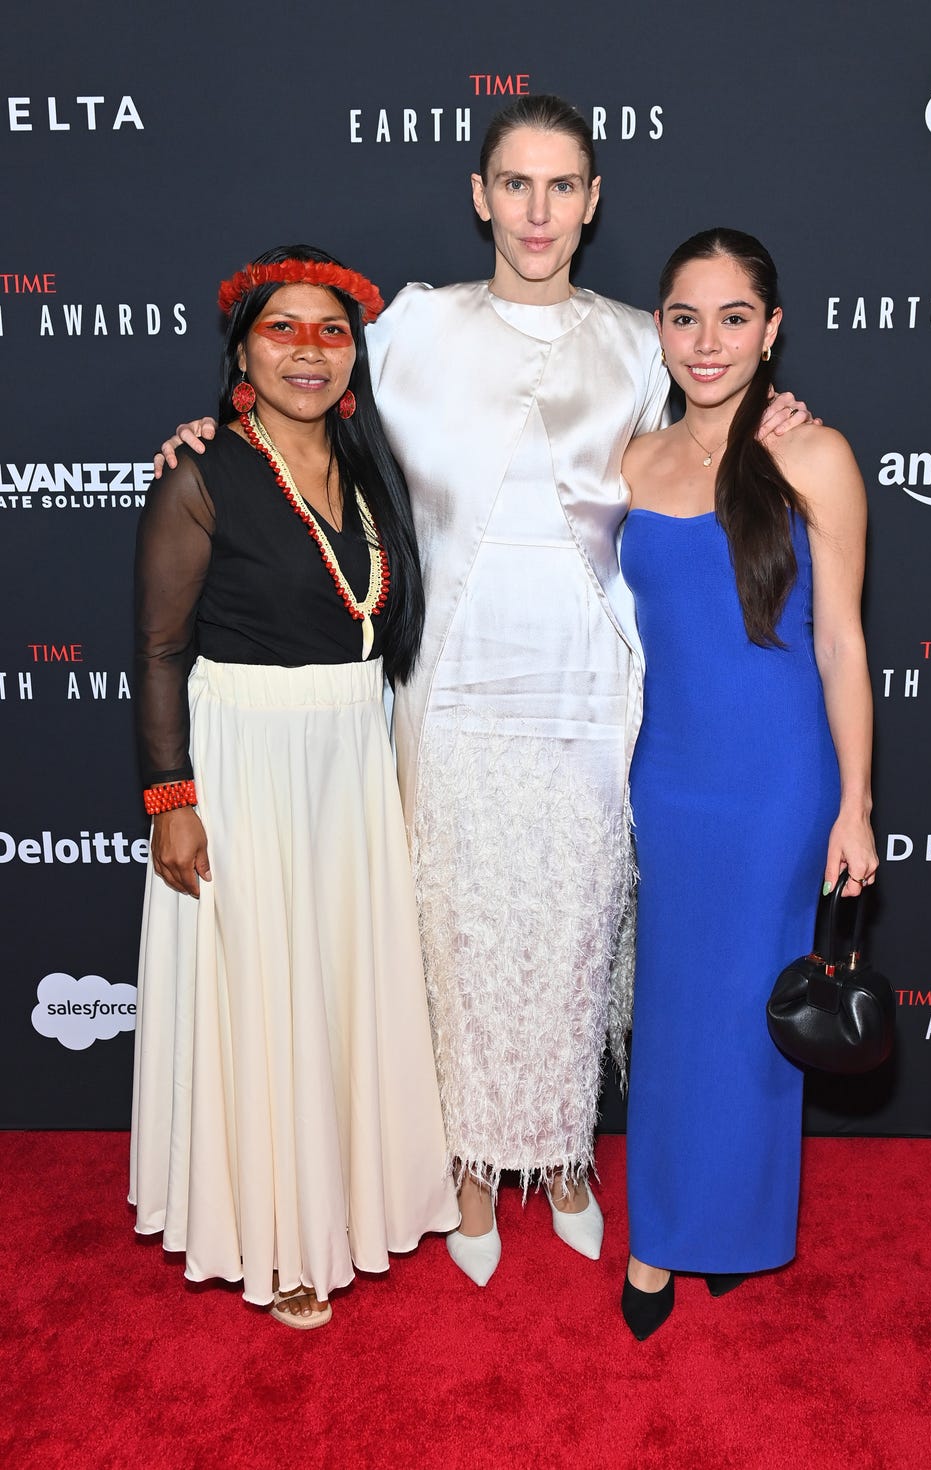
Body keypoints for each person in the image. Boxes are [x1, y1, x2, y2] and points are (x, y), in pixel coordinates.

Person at [156, 98, 811, 1289]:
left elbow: (709, 435)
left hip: (586, 686)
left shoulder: (635, 341)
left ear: (593, 200)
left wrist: (778, 415)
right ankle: (466, 1166)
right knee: (455, 937)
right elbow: (314, 412)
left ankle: (561, 1158)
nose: (538, 212)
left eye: (562, 187)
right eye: (515, 184)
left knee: (566, 935)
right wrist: (220, 424)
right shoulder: (409, 328)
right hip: (448, 687)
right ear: (478, 195)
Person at [130, 244, 459, 1329]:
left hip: (347, 758)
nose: (307, 351)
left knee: (337, 987)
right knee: (265, 994)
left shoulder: (370, 472)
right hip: (245, 761)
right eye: (283, 328)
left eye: (329, 330)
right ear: (241, 349)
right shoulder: (200, 474)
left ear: (353, 354)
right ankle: (279, 1246)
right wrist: (172, 802)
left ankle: (354, 1201)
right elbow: (160, 650)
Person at [618, 228, 878, 1339]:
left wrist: (854, 804)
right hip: (663, 779)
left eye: (734, 317)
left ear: (770, 330)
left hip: (776, 784)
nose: (707, 341)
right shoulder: (625, 459)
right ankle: (659, 1235)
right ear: (658, 329)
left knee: (751, 1013)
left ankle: (728, 1227)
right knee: (674, 1012)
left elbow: (838, 644)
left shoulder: (811, 457)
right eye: (685, 317)